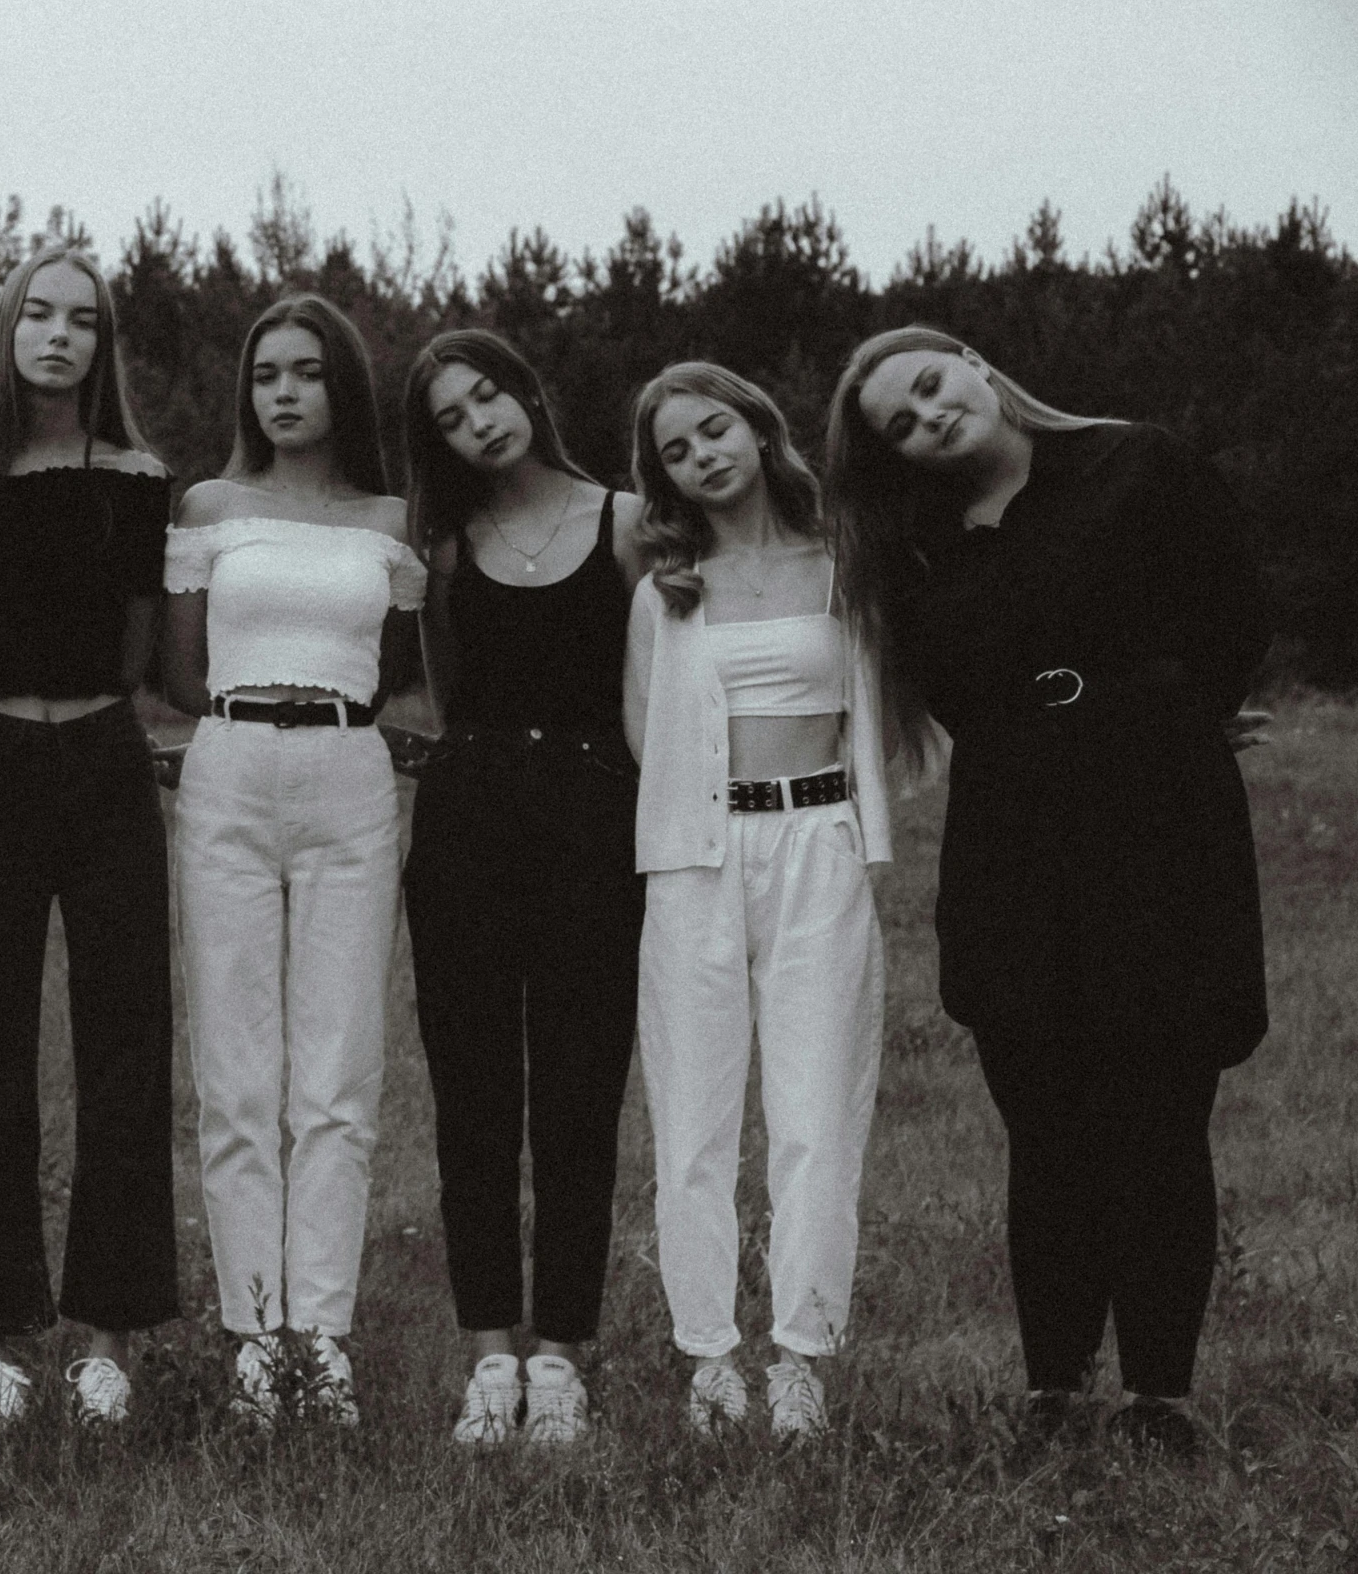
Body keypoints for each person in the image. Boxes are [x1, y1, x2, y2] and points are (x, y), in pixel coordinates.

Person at [826, 326, 1268, 1457]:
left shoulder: (1137, 463)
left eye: (930, 388)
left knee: (1161, 1113)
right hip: (1012, 837)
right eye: (902, 427)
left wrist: (1159, 718)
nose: (929, 419)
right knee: (1047, 1121)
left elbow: (1234, 620)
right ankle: (1053, 1395)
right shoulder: (920, 548)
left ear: (973, 363)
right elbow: (951, 694)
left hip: (1158, 816)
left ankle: (1159, 1401)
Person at [0, 251, 178, 1426]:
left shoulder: (138, 478)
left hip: (109, 765)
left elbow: (133, 650)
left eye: (85, 320)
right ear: (6, 328)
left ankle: (108, 1333)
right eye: (40, 315)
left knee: (126, 1041)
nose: (60, 336)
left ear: (105, 342)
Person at [161, 293, 425, 1428]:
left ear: (341, 388)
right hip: (225, 767)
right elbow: (175, 670)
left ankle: (322, 1337)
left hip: (349, 778)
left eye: (306, 372)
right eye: (266, 372)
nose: (282, 391)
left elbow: (408, 669)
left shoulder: (391, 519)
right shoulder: (209, 507)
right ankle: (254, 1336)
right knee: (235, 1070)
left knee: (337, 1071)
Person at [624, 361, 892, 1438]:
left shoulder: (845, 568)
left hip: (820, 839)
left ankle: (800, 1356)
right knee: (691, 1116)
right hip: (696, 855)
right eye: (677, 451)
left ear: (759, 428)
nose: (703, 456)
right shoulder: (667, 591)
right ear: (666, 480)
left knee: (816, 1111)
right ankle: (709, 1357)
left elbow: (887, 707)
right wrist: (709, 823)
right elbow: (648, 733)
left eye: (714, 429)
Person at [398, 330, 648, 1445]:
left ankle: (561, 1357)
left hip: (597, 823)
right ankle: (490, 1355)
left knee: (580, 1090)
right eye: (450, 417)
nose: (477, 423)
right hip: (468, 826)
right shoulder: (449, 548)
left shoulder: (629, 521)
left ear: (528, 389)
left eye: (486, 394)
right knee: (475, 1094)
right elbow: (453, 698)